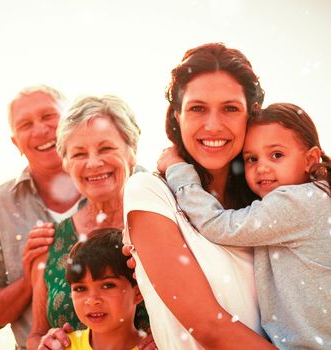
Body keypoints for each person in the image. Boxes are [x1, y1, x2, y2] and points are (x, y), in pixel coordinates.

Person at [159, 102, 331, 348]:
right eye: (251, 159)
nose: (262, 167)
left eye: (277, 155)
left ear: (310, 159)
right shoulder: (318, 197)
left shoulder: (298, 201)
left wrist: (178, 170)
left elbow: (218, 225)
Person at [124, 42, 272, 349]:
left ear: (251, 114)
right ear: (177, 114)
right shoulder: (150, 193)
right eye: (197, 108)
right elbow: (209, 328)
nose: (213, 125)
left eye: (230, 108)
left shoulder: (271, 199)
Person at [0, 85, 82, 349]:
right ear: (16, 142)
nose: (40, 130)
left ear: (72, 118)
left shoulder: (123, 181)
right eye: (26, 124)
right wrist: (31, 279)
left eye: (49, 116)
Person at [27, 95, 149, 349]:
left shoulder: (164, 224)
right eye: (79, 154)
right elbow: (36, 333)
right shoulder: (52, 241)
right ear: (66, 163)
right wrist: (46, 343)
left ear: (132, 151)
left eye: (106, 149)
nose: (93, 163)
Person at [48, 227, 144, 350]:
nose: (92, 300)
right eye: (80, 288)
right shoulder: (60, 346)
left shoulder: (162, 346)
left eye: (107, 285)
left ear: (138, 293)